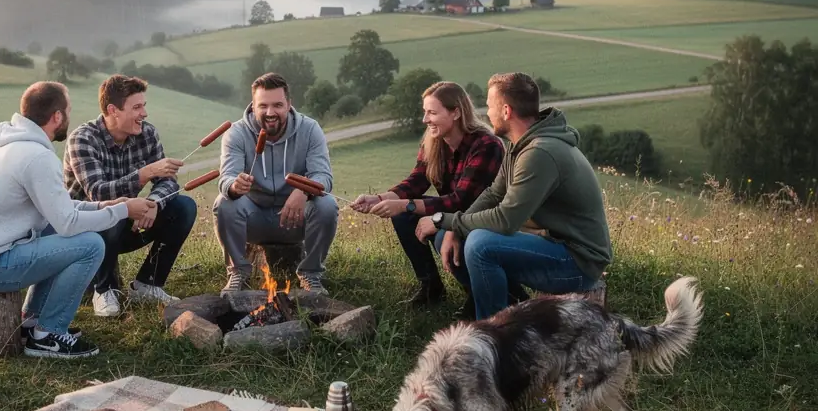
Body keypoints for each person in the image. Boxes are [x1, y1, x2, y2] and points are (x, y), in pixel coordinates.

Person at [0, 81, 153, 359]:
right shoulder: (36, 157)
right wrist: (124, 211)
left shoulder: (10, 145)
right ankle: (48, 334)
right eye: (68, 110)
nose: (70, 116)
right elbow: (67, 222)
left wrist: (104, 205)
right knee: (90, 245)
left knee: (56, 232)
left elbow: (58, 208)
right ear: (57, 116)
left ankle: (32, 322)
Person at [416, 72, 612, 320]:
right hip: (553, 244)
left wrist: (441, 219)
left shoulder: (539, 153)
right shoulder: (520, 145)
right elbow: (494, 193)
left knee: (480, 245)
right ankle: (513, 306)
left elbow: (505, 219)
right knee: (449, 236)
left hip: (578, 262)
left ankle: (493, 335)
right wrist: (453, 226)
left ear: (506, 111)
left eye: (489, 105)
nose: (486, 113)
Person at [350, 80, 502, 309]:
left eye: (432, 112)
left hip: (483, 220)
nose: (425, 119)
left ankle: (478, 294)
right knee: (403, 216)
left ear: (456, 113)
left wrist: (406, 205)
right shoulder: (434, 141)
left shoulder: (485, 145)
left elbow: (463, 200)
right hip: (453, 214)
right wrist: (381, 198)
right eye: (425, 112)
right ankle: (430, 286)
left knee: (440, 233)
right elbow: (418, 180)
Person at [63, 74, 197, 315]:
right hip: (82, 232)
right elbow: (97, 193)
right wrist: (144, 174)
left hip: (126, 224)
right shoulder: (82, 139)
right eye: (137, 107)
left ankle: (147, 284)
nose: (144, 113)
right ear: (113, 110)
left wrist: (154, 202)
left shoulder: (147, 134)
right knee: (110, 211)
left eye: (144, 106)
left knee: (183, 207)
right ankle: (104, 290)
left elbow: (168, 181)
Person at [214, 72, 338, 294]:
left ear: (289, 104)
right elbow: (226, 178)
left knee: (327, 204)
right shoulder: (236, 133)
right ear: (253, 106)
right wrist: (234, 186)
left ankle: (310, 275)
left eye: (278, 105)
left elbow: (324, 177)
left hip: (294, 219)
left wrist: (303, 191)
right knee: (224, 202)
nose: (270, 113)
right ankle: (238, 272)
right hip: (254, 218)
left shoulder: (310, 129)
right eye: (263, 106)